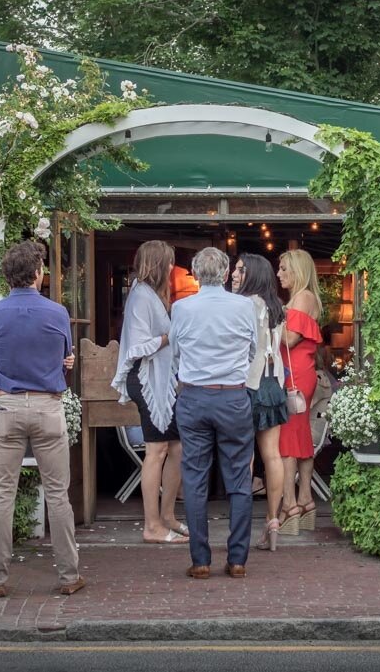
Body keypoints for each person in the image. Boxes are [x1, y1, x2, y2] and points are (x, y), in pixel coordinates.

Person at [0, 238, 82, 598]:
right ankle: (69, 575)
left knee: (2, 495)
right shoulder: (56, 312)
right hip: (46, 406)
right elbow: (63, 353)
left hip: (7, 405)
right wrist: (63, 362)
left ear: (8, 276)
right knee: (58, 494)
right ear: (37, 273)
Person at [169, 245, 258, 579]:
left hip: (194, 396)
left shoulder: (182, 307)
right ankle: (237, 559)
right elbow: (252, 349)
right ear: (224, 274)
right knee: (239, 478)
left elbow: (175, 352)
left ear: (194, 273)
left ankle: (201, 560)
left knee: (194, 478)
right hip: (233, 396)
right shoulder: (243, 306)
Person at [110, 239, 188, 544]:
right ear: (157, 265)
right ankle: (152, 525)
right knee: (157, 450)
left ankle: (167, 515)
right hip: (146, 379)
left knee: (177, 448)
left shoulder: (149, 295)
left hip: (160, 381)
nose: (172, 268)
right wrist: (171, 336)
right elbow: (137, 346)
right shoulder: (141, 296)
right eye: (168, 263)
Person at [233, 253, 290, 550]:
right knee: (273, 455)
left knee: (246, 456)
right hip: (274, 382)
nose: (234, 274)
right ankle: (273, 521)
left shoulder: (243, 305)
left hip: (249, 383)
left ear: (252, 274)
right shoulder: (277, 306)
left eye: (240, 270)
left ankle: (241, 525)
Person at [276, 247, 324, 533]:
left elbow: (290, 339)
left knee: (287, 441)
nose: (279, 273)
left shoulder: (301, 298)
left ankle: (289, 505)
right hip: (301, 373)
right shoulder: (306, 298)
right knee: (301, 438)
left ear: (298, 271)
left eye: (283, 268)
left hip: (293, 375)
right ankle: (305, 500)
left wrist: (266, 321)